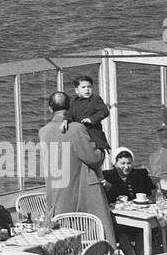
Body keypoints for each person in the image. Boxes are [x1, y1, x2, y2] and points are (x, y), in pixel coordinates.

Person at [38, 91, 117, 245]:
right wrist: (100, 148)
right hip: (83, 190)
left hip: (57, 190)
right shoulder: (76, 128)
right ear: (70, 107)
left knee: (65, 233)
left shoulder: (44, 132)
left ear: (50, 109)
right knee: (94, 232)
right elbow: (93, 158)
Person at [104, 148, 159, 255]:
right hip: (118, 219)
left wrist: (149, 198)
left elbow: (150, 192)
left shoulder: (140, 174)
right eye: (122, 163)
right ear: (115, 163)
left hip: (138, 216)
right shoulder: (108, 177)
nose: (126, 166)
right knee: (122, 234)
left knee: (141, 231)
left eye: (129, 163)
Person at [68, 75, 111, 156]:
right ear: (77, 90)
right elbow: (69, 113)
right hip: (80, 135)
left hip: (93, 135)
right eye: (83, 87)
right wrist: (66, 120)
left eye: (89, 87)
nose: (87, 89)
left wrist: (91, 119)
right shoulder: (74, 102)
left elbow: (104, 111)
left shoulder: (95, 99)